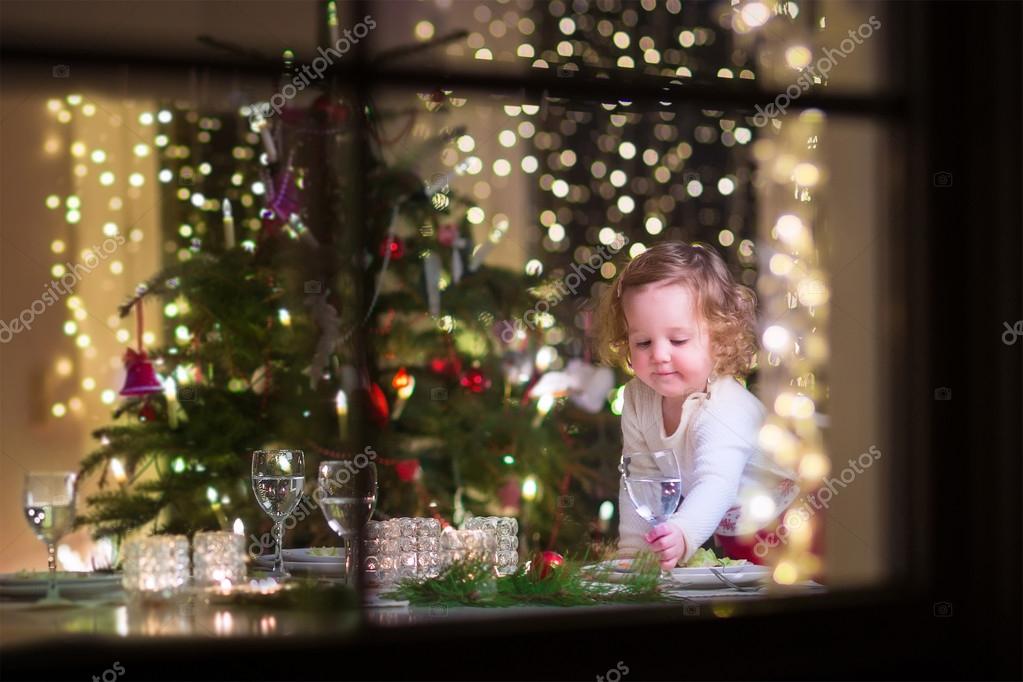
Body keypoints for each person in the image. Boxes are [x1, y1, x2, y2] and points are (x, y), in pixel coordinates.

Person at [595, 241, 801, 569]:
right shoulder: (637, 397)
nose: (659, 355)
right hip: (729, 526)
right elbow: (641, 478)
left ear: (719, 339)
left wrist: (682, 531)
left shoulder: (726, 406)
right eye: (643, 342)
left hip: (788, 521)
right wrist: (632, 555)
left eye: (678, 340)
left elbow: (715, 483)